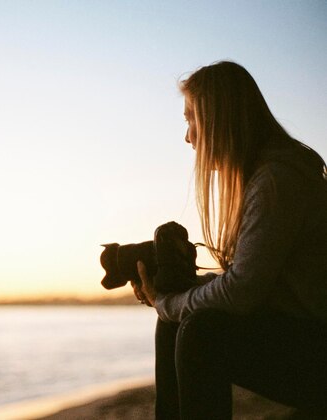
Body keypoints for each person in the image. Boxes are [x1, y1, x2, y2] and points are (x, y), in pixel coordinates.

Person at [132, 61, 327, 419]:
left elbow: (241, 293)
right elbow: (252, 282)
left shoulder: (276, 180)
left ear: (219, 118)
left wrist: (167, 302)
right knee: (179, 320)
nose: (187, 136)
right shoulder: (267, 175)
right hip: (305, 335)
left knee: (201, 331)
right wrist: (179, 293)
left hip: (319, 353)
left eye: (192, 119)